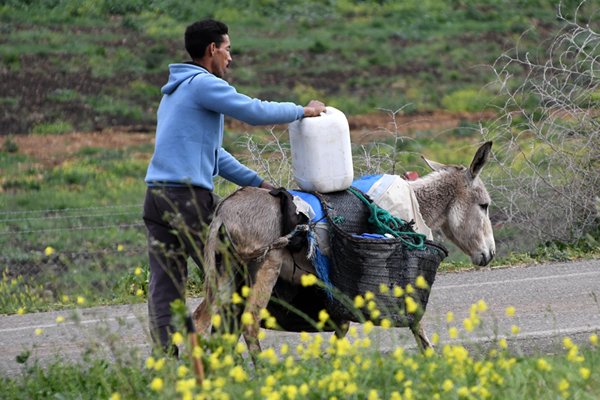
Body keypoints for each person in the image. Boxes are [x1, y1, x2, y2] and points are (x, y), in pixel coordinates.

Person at [142, 18, 326, 354]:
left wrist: (257, 182)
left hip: (156, 198)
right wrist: (304, 111)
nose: (230, 57)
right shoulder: (203, 84)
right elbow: (253, 111)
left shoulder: (175, 92)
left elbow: (215, 155)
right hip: (187, 199)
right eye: (227, 49)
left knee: (165, 283)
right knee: (232, 276)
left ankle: (165, 359)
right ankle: (221, 357)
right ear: (212, 49)